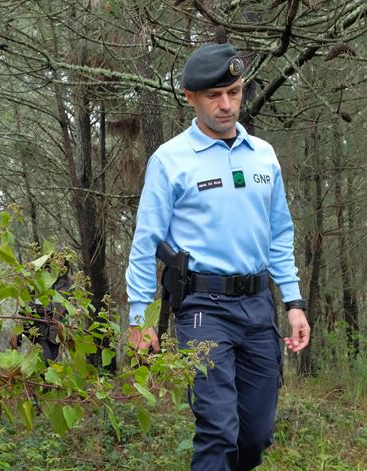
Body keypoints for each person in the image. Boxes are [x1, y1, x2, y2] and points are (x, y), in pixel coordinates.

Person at [125, 42, 310, 471]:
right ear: (191, 97)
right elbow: (144, 243)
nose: (227, 105)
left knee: (255, 436)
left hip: (258, 307)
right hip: (203, 310)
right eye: (214, 96)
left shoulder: (263, 155)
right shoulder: (170, 161)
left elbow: (280, 233)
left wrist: (294, 302)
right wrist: (139, 319)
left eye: (235, 92)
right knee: (218, 430)